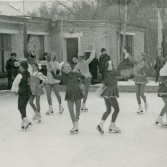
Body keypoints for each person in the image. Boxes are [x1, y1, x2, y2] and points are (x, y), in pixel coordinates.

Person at [48, 62, 85, 134]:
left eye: (69, 66)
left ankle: (76, 122)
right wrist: (52, 70)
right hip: (70, 94)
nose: (69, 68)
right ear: (63, 70)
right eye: (66, 67)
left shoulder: (75, 73)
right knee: (71, 110)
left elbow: (83, 77)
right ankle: (74, 124)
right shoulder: (63, 77)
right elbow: (55, 77)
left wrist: (82, 84)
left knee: (77, 110)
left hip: (78, 93)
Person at [96, 60, 121, 135]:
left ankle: (100, 124)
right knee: (117, 109)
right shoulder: (112, 73)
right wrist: (126, 58)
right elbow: (119, 68)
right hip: (110, 94)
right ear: (110, 67)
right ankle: (112, 125)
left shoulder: (107, 73)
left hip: (106, 94)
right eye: (113, 65)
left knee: (108, 110)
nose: (114, 66)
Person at [74, 45, 95, 111]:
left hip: (82, 78)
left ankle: (79, 104)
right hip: (87, 77)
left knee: (81, 91)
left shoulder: (78, 64)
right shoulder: (86, 62)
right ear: (84, 57)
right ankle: (83, 105)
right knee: (86, 92)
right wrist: (92, 50)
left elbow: (74, 70)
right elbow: (92, 57)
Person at [11, 61, 32, 130]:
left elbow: (15, 82)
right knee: (23, 107)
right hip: (28, 92)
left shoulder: (20, 74)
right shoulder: (29, 73)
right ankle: (23, 123)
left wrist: (14, 90)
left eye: (19, 66)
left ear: (21, 67)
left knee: (20, 107)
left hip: (22, 93)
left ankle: (26, 120)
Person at [155, 60, 167, 126]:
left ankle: (160, 118)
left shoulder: (163, 70)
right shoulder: (164, 70)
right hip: (164, 90)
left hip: (164, 90)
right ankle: (159, 118)